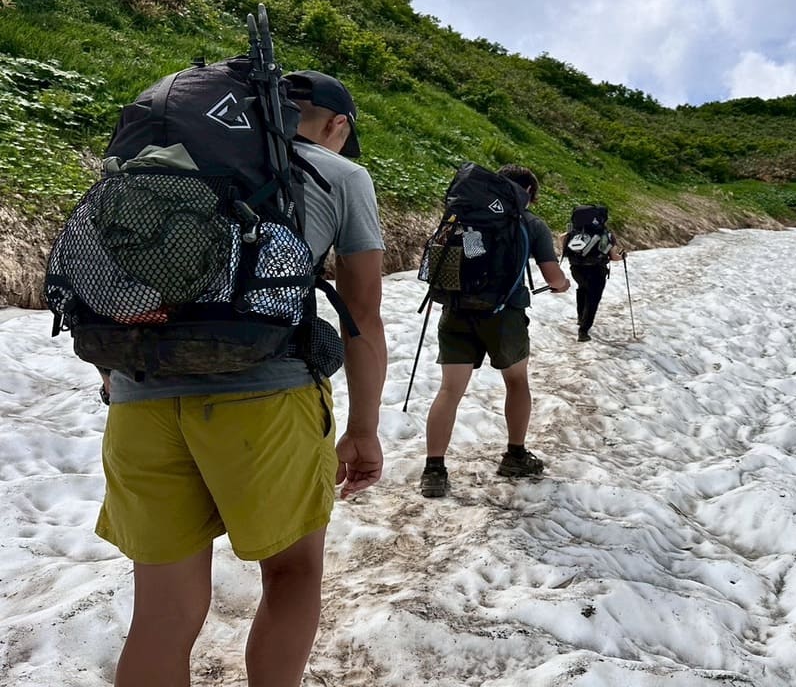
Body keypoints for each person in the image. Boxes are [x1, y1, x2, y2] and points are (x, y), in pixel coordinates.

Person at [96, 70, 387, 687]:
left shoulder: (161, 163)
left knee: (162, 614)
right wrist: (362, 428)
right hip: (268, 397)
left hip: (140, 397)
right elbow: (362, 314)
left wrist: (114, 374)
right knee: (292, 573)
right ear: (337, 126)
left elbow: (102, 281)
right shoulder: (340, 175)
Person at [420, 164, 570, 498]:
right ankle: (515, 455)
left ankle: (434, 470)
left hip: (457, 311)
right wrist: (563, 285)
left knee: (449, 392)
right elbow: (553, 277)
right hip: (505, 316)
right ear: (528, 193)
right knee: (516, 383)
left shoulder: (465, 216)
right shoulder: (530, 223)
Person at [564, 222, 625, 342]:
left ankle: (581, 318)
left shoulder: (574, 232)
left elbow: (562, 240)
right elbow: (614, 257)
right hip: (597, 270)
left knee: (582, 288)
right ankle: (583, 331)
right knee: (593, 300)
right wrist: (623, 256)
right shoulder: (606, 234)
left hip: (576, 269)